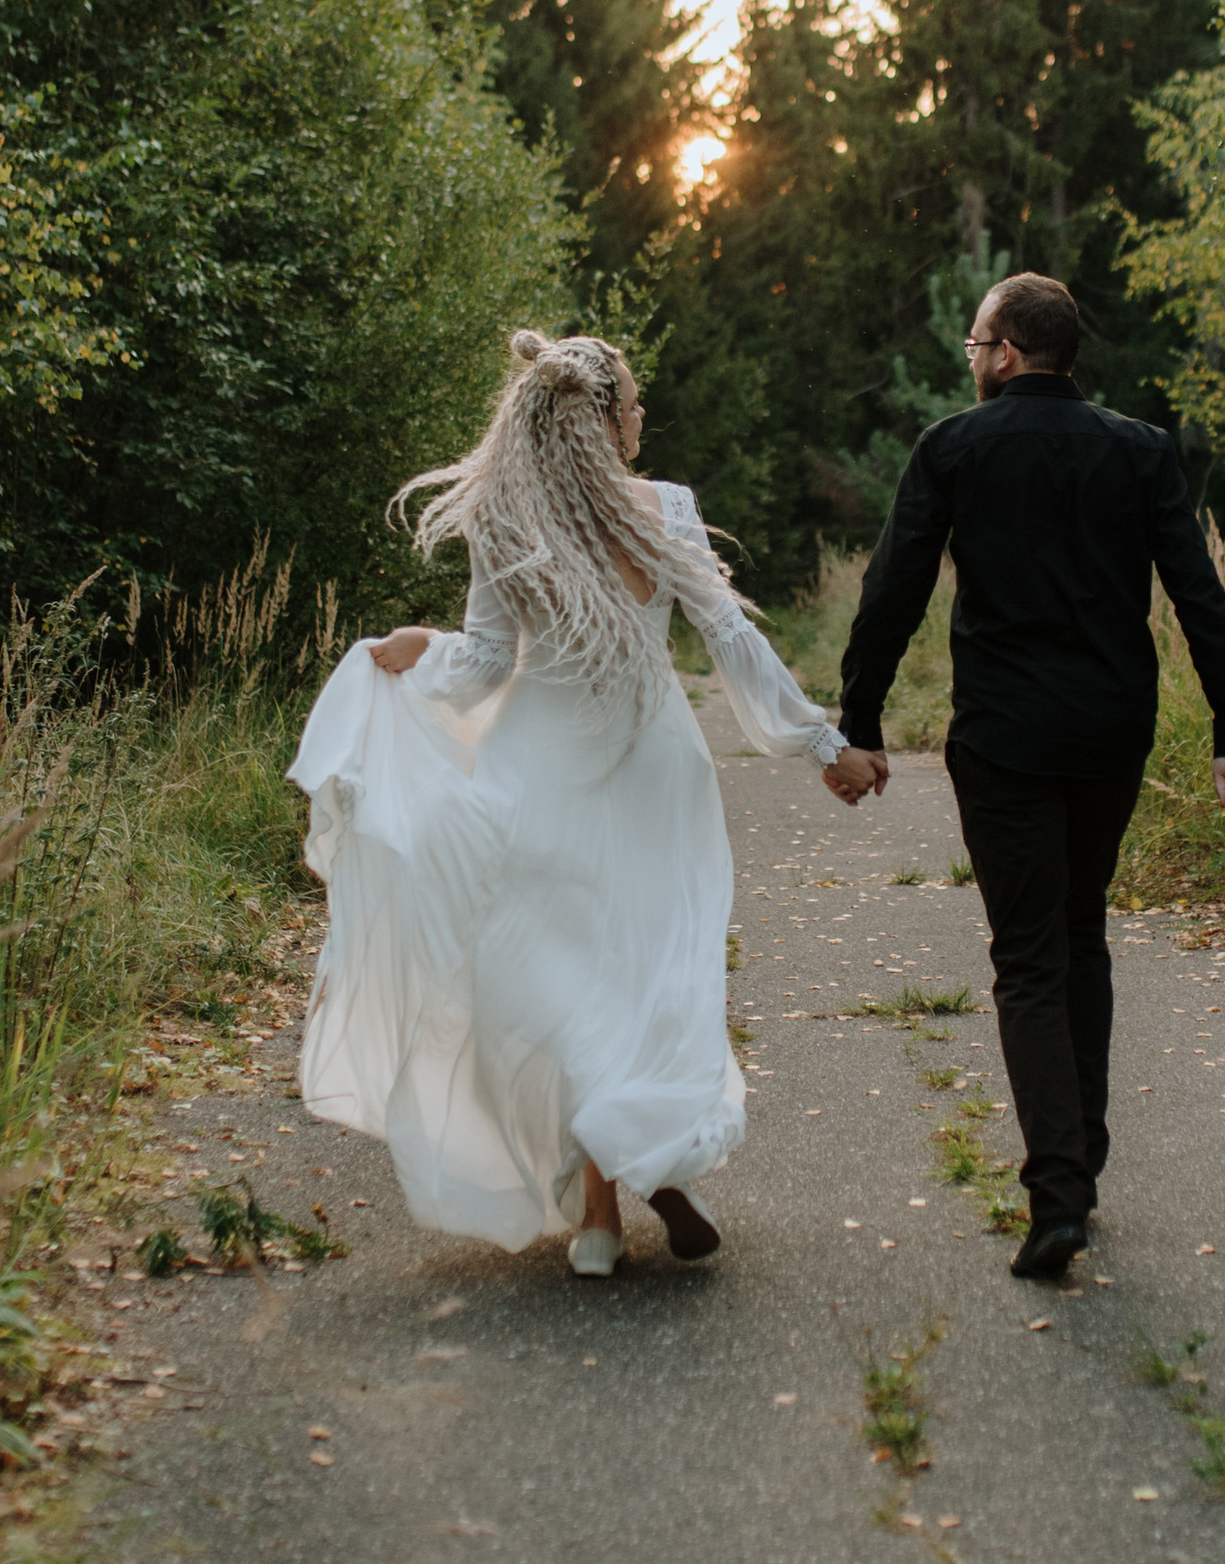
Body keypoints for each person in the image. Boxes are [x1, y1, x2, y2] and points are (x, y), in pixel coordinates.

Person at [287, 329, 883, 1276]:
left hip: (539, 772)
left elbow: (485, 666)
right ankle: (646, 1153)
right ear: (601, 421)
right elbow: (729, 636)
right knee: (648, 976)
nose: (643, 417)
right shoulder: (667, 509)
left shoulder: (503, 519)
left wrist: (421, 652)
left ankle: (600, 1220)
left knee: (557, 986)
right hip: (654, 768)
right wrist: (822, 743)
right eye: (633, 404)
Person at [837, 271, 1225, 1282]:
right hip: (1111, 730)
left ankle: (1059, 1193)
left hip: (1005, 738)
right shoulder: (1139, 450)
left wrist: (859, 717)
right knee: (1079, 933)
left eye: (975, 345)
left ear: (1008, 353)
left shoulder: (953, 447)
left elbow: (894, 586)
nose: (971, 361)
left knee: (1028, 956)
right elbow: (1197, 593)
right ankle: (1083, 1162)